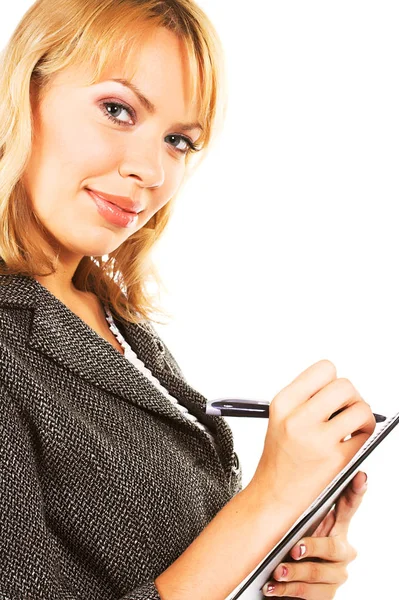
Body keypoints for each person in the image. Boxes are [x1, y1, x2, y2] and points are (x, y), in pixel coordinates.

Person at [0, 1, 374, 599]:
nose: (150, 169)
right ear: (24, 94)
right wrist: (266, 499)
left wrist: (276, 567)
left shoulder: (117, 325)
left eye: (178, 140)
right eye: (117, 109)